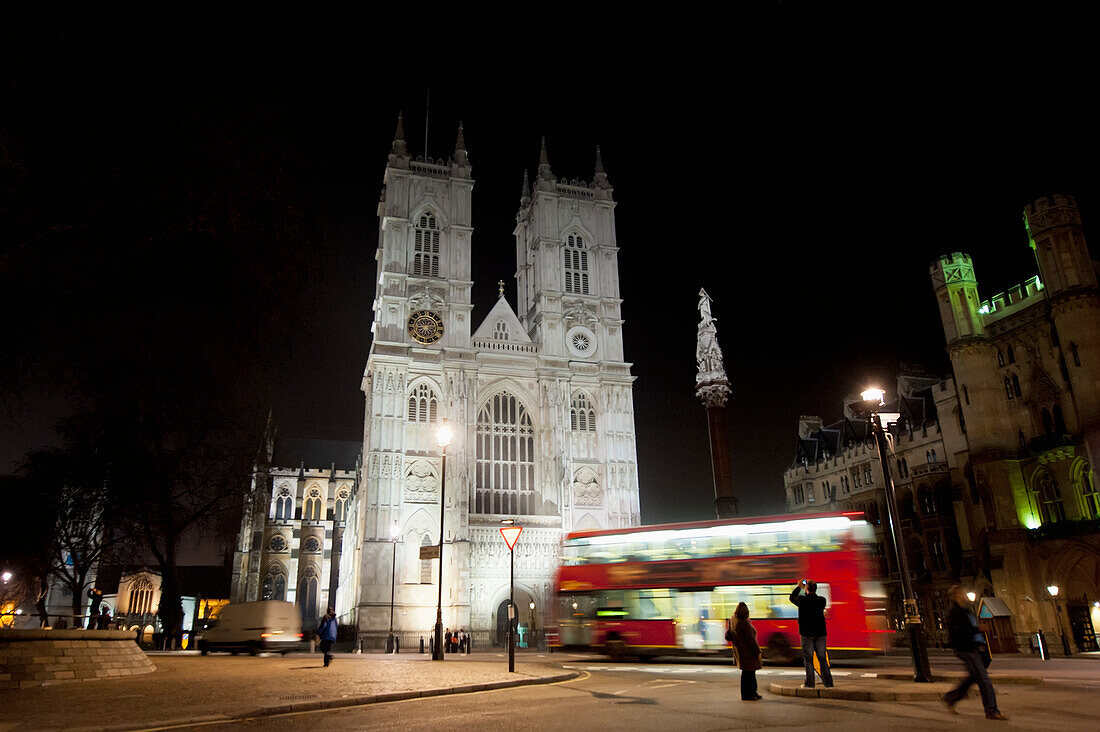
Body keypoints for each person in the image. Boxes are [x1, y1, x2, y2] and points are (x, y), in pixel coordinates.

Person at [943, 585, 1007, 720]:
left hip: (974, 647)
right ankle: (991, 710)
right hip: (966, 649)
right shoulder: (955, 613)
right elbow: (959, 632)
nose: (965, 595)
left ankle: (951, 697)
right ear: (956, 596)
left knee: (973, 677)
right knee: (984, 680)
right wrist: (978, 629)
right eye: (962, 593)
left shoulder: (966, 611)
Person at [789, 579, 833, 688]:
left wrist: (799, 587)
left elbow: (791, 598)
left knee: (808, 659)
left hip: (806, 633)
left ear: (806, 589)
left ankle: (810, 683)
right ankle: (828, 683)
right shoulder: (822, 600)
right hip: (820, 633)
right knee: (822, 658)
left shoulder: (802, 600)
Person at [725, 602, 763, 701]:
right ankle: (748, 695)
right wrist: (758, 651)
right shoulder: (744, 623)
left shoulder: (734, 619)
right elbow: (751, 640)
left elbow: (728, 635)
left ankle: (752, 693)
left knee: (748, 674)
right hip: (747, 652)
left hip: (740, 651)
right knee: (749, 674)